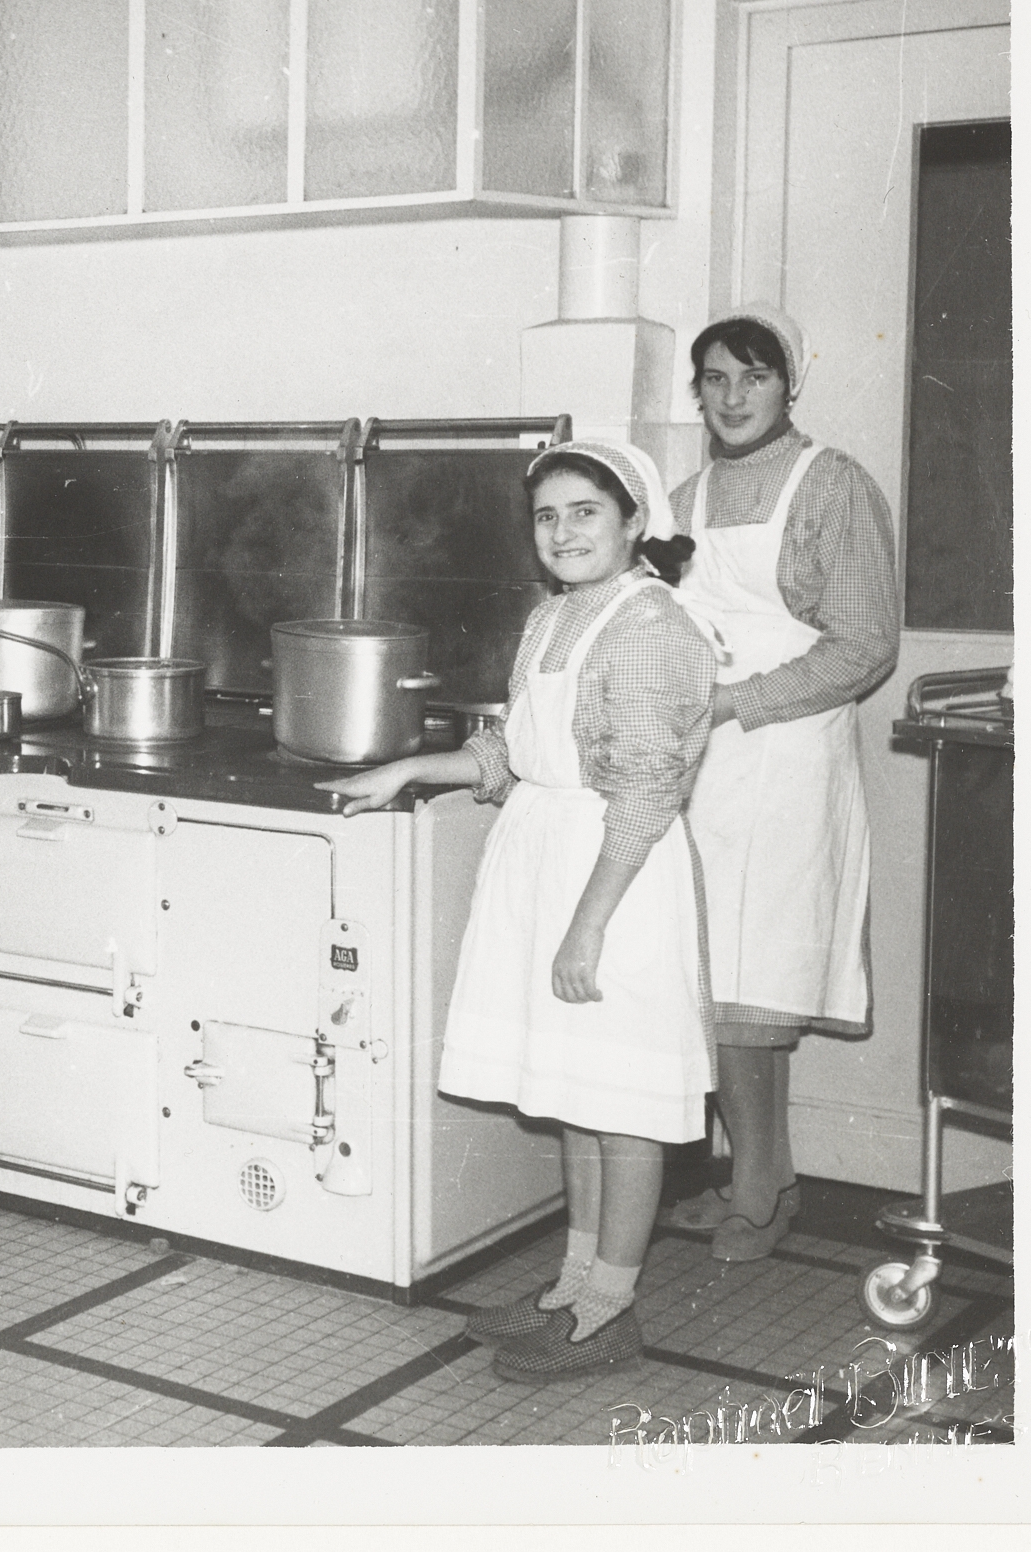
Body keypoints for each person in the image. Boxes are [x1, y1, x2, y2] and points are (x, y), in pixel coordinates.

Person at [329, 441, 716, 1383]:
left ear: (633, 523)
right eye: (548, 516)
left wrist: (589, 926)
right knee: (574, 1099)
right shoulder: (552, 619)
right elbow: (511, 758)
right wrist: (412, 767)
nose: (565, 531)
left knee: (622, 1107)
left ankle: (610, 1308)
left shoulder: (652, 625)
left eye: (586, 512)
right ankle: (571, 1287)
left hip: (615, 876)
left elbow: (646, 794)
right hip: (546, 859)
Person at [660, 305, 897, 1262]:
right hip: (707, 764)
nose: (732, 396)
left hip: (791, 756)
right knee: (713, 979)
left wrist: (738, 703)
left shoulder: (831, 484)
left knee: (761, 980)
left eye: (752, 377)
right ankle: (764, 1179)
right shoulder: (686, 501)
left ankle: (759, 1190)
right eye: (715, 379)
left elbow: (866, 646)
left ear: (787, 384)